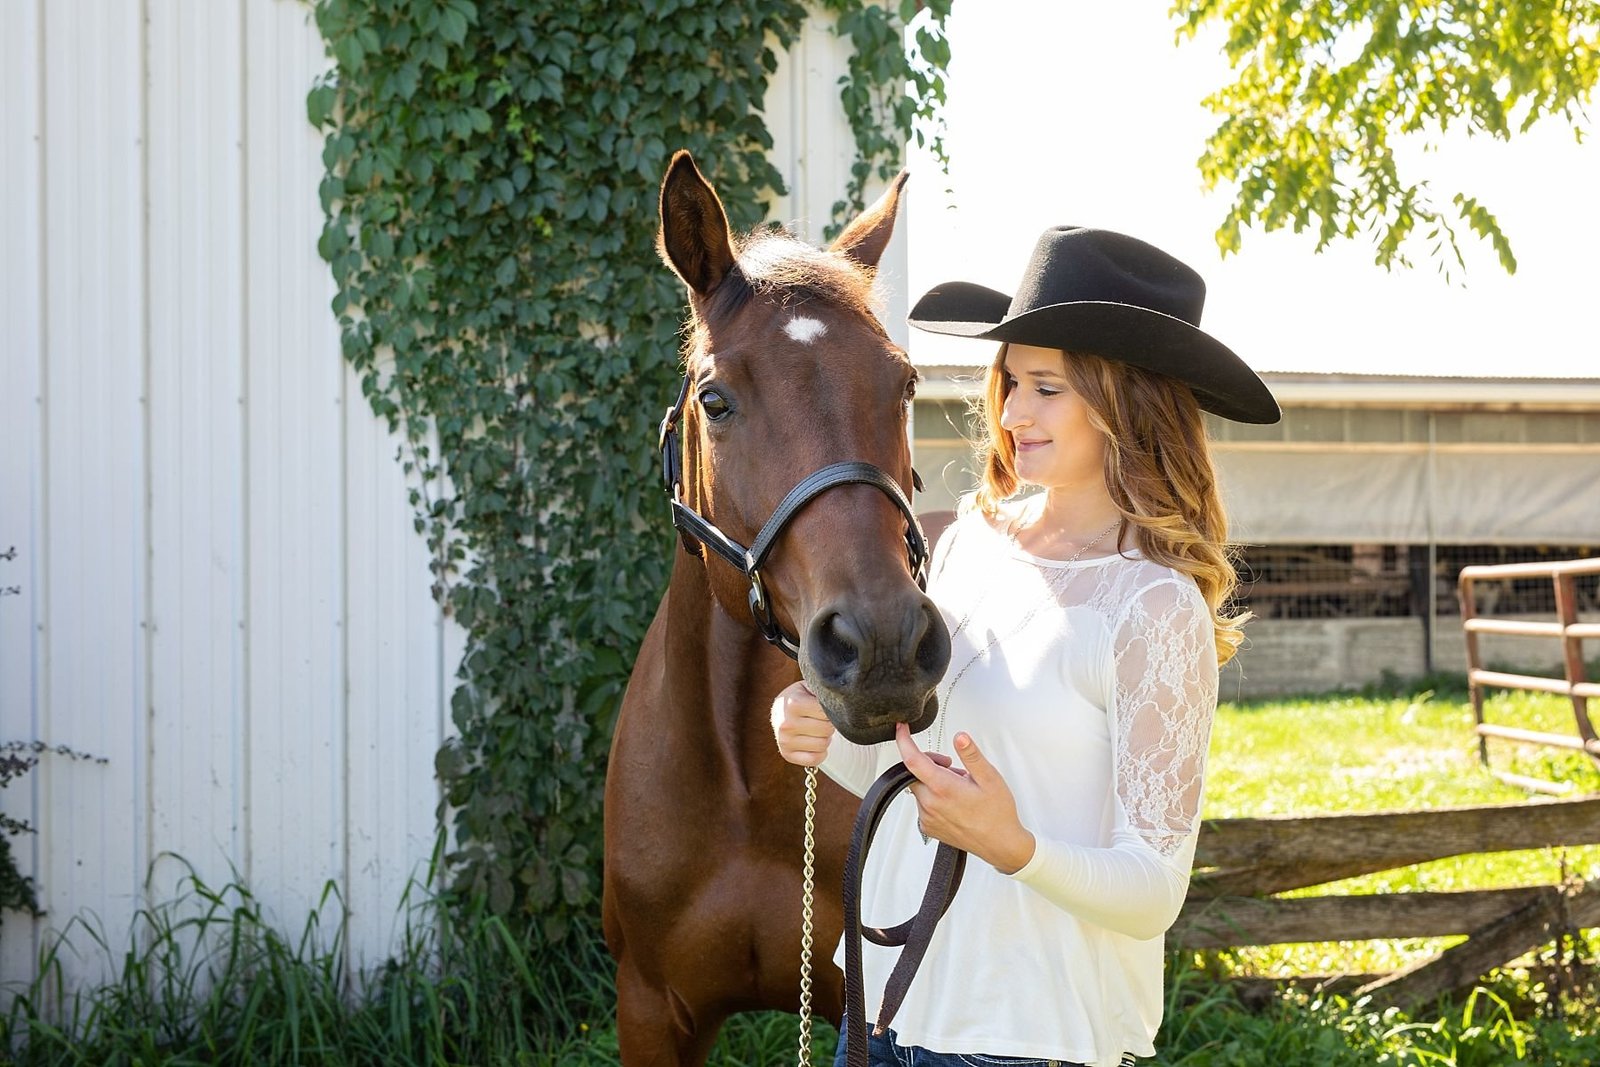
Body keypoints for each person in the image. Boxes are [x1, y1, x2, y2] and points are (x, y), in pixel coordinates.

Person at [771, 226, 1281, 1067]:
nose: (1010, 413)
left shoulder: (1153, 606)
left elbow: (1153, 890)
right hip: (886, 1011)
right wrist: (824, 735)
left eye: (1046, 387)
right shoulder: (969, 541)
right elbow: (917, 776)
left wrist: (1016, 844)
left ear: (1128, 399)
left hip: (1023, 1038)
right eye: (1010, 382)